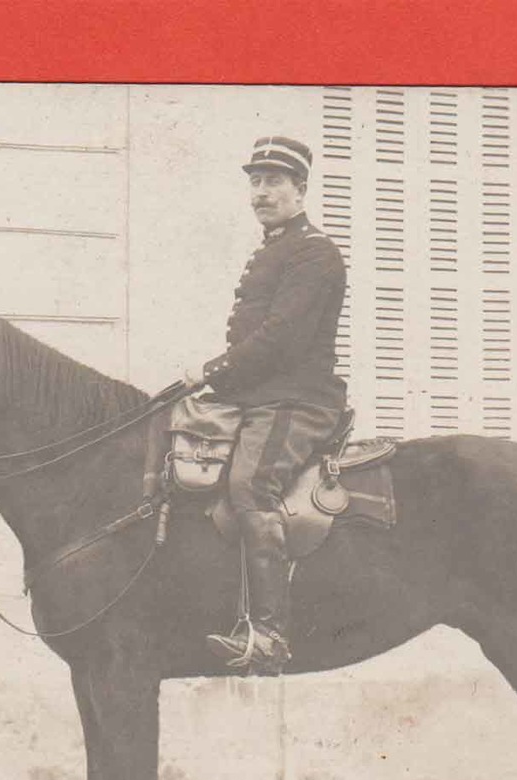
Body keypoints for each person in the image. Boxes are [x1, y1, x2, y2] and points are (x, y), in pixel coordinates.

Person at [183, 136, 349, 674]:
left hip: (297, 401)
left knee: (249, 485)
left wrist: (211, 372)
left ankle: (270, 634)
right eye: (255, 181)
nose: (261, 192)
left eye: (274, 181)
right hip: (261, 397)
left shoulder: (314, 252)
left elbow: (281, 339)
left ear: (301, 189)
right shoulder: (273, 249)